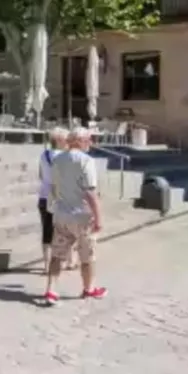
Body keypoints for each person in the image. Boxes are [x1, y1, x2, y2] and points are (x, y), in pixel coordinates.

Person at [43, 127, 106, 305]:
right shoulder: (86, 161)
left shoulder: (57, 159)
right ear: (79, 141)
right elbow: (90, 192)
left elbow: (53, 187)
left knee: (57, 254)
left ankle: (51, 290)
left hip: (62, 213)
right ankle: (89, 288)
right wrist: (98, 218)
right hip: (82, 215)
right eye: (89, 139)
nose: (91, 143)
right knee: (87, 256)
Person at [37, 127, 68, 266]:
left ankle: (46, 264)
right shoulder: (64, 157)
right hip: (60, 197)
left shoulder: (44, 155)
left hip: (44, 196)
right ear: (60, 140)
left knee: (47, 231)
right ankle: (62, 261)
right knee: (63, 231)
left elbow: (41, 175)